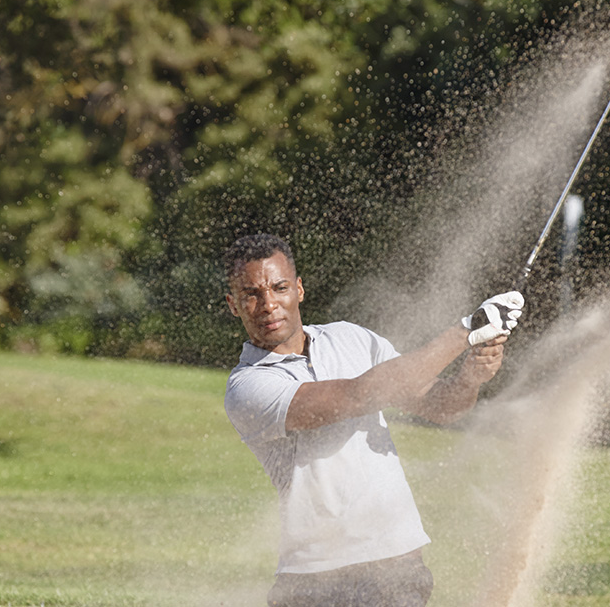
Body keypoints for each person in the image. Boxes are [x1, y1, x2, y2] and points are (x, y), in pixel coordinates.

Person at [222, 233, 524, 606]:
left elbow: (441, 406)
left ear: (299, 289)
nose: (268, 304)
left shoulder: (351, 338)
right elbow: (360, 394)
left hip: (395, 566)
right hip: (313, 579)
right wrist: (465, 331)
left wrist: (470, 379)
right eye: (251, 294)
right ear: (233, 305)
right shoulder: (248, 386)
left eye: (279, 287)